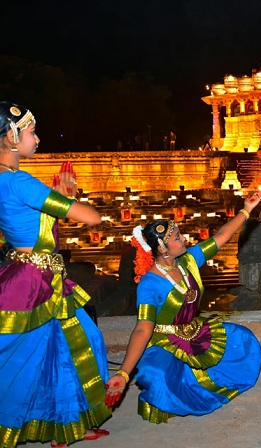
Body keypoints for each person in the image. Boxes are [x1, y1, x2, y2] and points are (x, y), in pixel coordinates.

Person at [0, 102, 111, 447]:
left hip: (26, 275)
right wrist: (68, 198)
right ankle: (59, 423)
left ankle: (66, 424)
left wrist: (55, 200)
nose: (36, 138)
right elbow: (91, 219)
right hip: (37, 284)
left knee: (63, 347)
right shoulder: (22, 183)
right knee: (45, 354)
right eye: (31, 132)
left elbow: (25, 228)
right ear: (10, 137)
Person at [104, 193, 261, 422]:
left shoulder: (189, 260)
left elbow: (222, 235)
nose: (185, 240)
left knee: (244, 340)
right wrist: (123, 373)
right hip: (164, 341)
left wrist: (246, 209)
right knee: (156, 376)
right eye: (178, 238)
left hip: (194, 330)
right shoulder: (150, 284)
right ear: (162, 249)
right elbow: (142, 329)